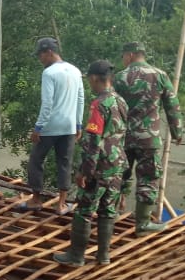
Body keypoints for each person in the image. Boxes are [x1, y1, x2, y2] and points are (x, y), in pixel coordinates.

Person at [55, 60, 128, 267]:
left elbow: (94, 141)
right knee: (108, 211)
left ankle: (76, 256)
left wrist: (85, 171)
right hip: (117, 165)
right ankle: (103, 256)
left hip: (100, 167)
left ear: (95, 78)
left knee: (84, 211)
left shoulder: (99, 104)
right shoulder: (121, 102)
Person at [114, 41, 182, 235]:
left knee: (118, 176)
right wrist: (177, 131)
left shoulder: (119, 77)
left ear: (131, 55)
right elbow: (172, 105)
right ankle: (143, 224)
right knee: (148, 178)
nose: (123, 60)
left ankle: (109, 216)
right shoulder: (160, 76)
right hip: (149, 138)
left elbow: (111, 105)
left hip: (124, 138)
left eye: (123, 56)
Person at [23, 37, 84, 214]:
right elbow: (81, 99)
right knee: (64, 163)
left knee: (36, 160)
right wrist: (78, 124)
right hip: (69, 127)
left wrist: (38, 128)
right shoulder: (75, 70)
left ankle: (36, 199)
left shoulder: (49, 73)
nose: (40, 59)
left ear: (49, 52)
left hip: (50, 126)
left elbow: (47, 103)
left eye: (41, 55)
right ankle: (62, 203)